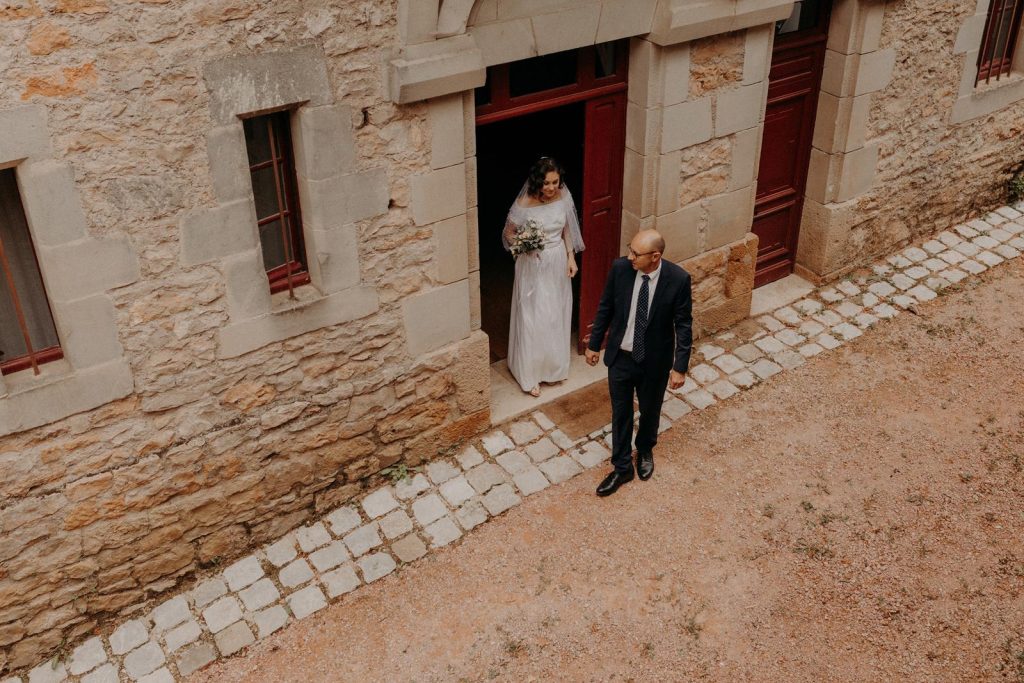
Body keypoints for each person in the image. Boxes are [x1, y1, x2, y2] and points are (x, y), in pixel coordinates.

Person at [585, 229, 692, 497]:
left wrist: (680, 367)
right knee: (620, 413)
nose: (630, 256)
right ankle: (622, 467)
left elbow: (683, 324)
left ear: (655, 257)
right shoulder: (621, 269)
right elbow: (605, 306)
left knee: (650, 409)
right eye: (630, 250)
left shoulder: (678, 280)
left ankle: (644, 449)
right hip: (620, 357)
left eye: (636, 253)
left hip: (653, 361)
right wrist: (594, 344)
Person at [503, 157, 585, 397]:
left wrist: (571, 258)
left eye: (555, 182)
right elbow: (509, 234)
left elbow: (568, 228)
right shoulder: (524, 202)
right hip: (532, 264)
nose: (551, 188)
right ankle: (530, 374)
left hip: (557, 259)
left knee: (553, 313)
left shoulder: (563, 197)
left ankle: (552, 369)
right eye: (547, 183)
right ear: (538, 181)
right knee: (533, 315)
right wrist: (525, 246)